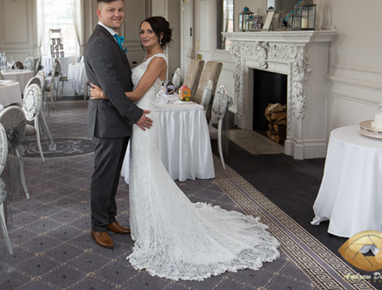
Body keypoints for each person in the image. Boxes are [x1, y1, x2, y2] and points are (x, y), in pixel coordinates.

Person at [90, 16, 280, 281]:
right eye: (142, 31)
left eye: (150, 32)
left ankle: (155, 227)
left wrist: (103, 94)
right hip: (139, 120)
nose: (144, 35)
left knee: (147, 171)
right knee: (142, 172)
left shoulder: (159, 61)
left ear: (161, 36)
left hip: (145, 121)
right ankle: (146, 225)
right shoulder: (148, 59)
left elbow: (136, 94)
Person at [84, 0, 153, 250]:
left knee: (112, 176)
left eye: (120, 10)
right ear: (99, 13)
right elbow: (111, 86)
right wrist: (135, 115)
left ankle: (109, 218)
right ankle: (98, 226)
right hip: (108, 122)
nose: (117, 14)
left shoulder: (109, 38)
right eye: (111, 10)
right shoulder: (100, 42)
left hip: (115, 121)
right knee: (104, 176)